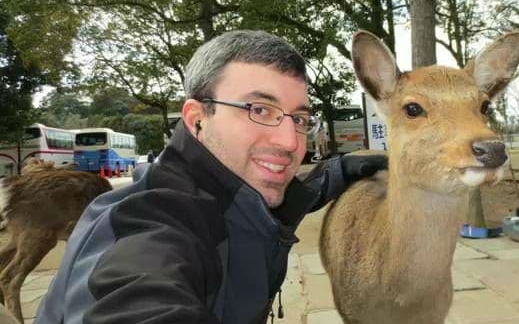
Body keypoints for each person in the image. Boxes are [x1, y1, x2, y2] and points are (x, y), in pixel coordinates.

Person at [35, 30, 387, 323]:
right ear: (197, 118)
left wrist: (343, 169)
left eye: (297, 118)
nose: (290, 141)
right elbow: (136, 297)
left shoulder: (237, 190)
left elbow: (287, 200)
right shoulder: (147, 227)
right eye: (259, 109)